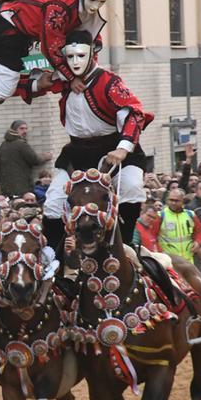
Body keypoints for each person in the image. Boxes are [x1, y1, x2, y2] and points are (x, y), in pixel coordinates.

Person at [37, 30, 152, 251]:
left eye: (81, 55)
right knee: (53, 201)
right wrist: (60, 78)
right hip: (77, 152)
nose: (75, 61)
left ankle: (125, 247)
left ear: (93, 53)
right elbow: (32, 82)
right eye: (70, 57)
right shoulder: (64, 81)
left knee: (131, 187)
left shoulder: (110, 82)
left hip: (114, 150)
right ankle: (54, 260)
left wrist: (123, 148)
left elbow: (133, 114)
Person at [0, 120, 53, 197]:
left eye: (26, 128)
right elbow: (34, 160)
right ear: (14, 130)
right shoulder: (21, 144)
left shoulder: (3, 145)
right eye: (21, 128)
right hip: (22, 187)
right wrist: (46, 157)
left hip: (6, 188)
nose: (25, 131)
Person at [150, 189, 201, 264]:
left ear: (182, 201)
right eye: (171, 200)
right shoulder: (160, 216)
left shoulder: (191, 215)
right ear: (167, 200)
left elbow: (200, 232)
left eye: (176, 201)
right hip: (169, 261)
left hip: (188, 260)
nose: (173, 203)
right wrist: (160, 253)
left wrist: (198, 242)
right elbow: (152, 236)